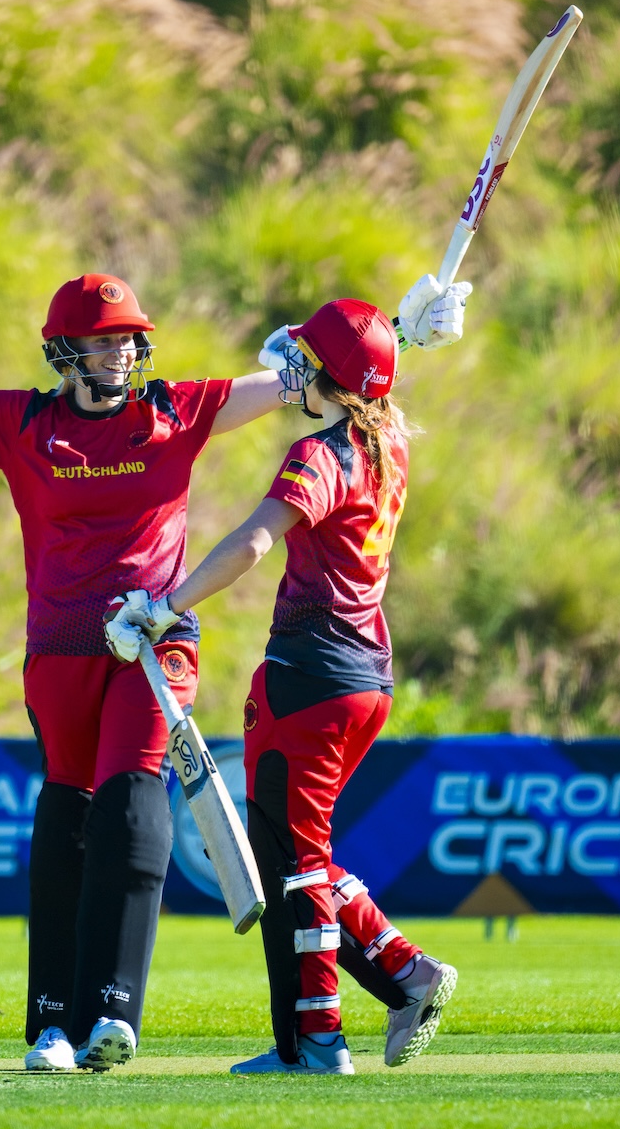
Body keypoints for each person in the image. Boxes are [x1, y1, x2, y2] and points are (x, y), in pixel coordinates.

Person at [0, 272, 469, 1074]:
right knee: (67, 819)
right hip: (60, 652)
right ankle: (54, 1025)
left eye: (129, 338)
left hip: (153, 643)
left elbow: (313, 377)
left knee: (132, 799)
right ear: (65, 351)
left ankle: (118, 1012)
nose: (122, 351)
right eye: (105, 340)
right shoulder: (23, 422)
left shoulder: (175, 409)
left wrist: (398, 332)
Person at [104, 296, 456, 1075]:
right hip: (364, 679)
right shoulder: (389, 436)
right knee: (300, 852)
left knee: (296, 866)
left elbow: (254, 541)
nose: (290, 367)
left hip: (310, 678)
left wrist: (166, 606)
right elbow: (368, 378)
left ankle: (317, 1040)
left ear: (329, 377)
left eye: (307, 358)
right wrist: (404, 331)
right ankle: (405, 973)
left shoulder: (318, 455)